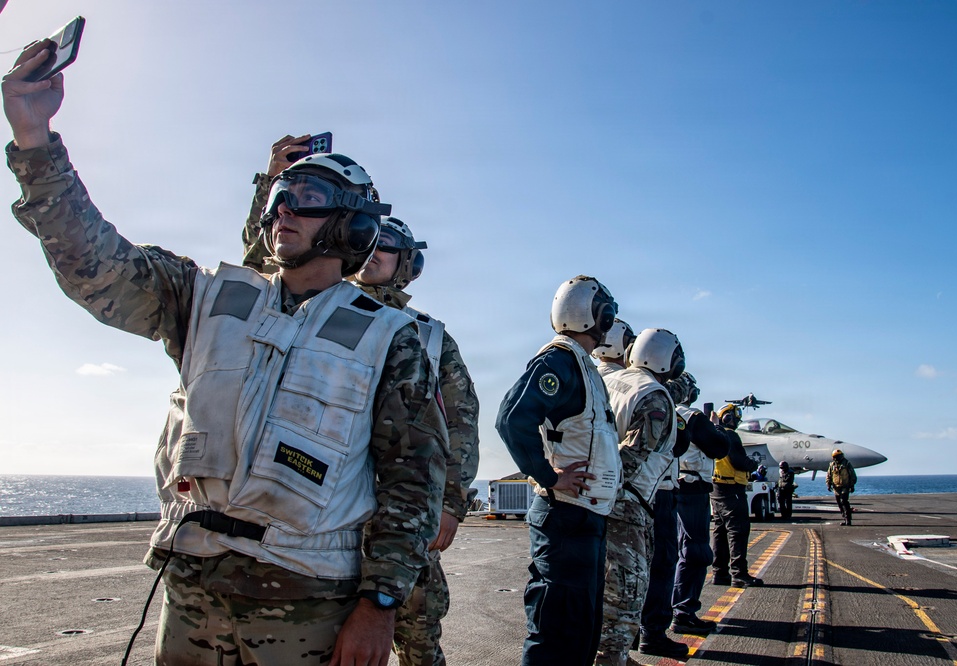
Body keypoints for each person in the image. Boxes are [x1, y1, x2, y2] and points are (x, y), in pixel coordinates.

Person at [3, 44, 448, 665]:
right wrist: (34, 137)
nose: (283, 208)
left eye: (306, 195)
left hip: (310, 599)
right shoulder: (203, 297)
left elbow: (412, 481)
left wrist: (380, 604)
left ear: (352, 223)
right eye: (278, 197)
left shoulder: (389, 336)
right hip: (193, 589)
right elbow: (94, 262)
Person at [243, 137, 481, 665]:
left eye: (388, 245)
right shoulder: (307, 306)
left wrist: (450, 503)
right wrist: (272, 184)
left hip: (399, 514)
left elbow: (461, 426)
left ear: (407, 263)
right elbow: (258, 276)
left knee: (417, 636)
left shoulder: (426, 335)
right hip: (318, 514)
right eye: (372, 239)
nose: (374, 252)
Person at [495, 276, 622, 666]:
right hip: (565, 517)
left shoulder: (584, 366)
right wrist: (549, 476)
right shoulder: (559, 361)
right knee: (555, 634)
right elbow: (512, 419)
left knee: (581, 629)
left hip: (585, 516)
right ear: (594, 315)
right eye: (607, 311)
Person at [597, 329, 688, 665]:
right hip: (627, 505)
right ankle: (611, 658)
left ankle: (611, 654)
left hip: (595, 501)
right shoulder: (654, 397)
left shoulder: (610, 381)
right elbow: (630, 459)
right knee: (627, 593)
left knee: (602, 588)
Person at [668, 373, 731, 636]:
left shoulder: (665, 410)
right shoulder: (691, 416)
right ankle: (684, 611)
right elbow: (719, 448)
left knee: (673, 551)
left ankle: (668, 609)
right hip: (693, 489)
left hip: (671, 486)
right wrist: (717, 427)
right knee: (696, 551)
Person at [710, 404, 763, 588]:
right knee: (738, 531)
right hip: (732, 489)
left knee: (720, 531)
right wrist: (753, 465)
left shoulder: (715, 434)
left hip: (716, 488)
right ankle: (739, 574)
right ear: (727, 418)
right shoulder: (730, 435)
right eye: (735, 415)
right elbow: (739, 461)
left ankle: (719, 573)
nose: (737, 418)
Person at [827, 449, 857, 526]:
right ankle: (844, 518)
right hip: (836, 487)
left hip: (845, 486)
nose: (836, 458)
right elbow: (829, 475)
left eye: (837, 456)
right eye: (835, 457)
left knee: (844, 501)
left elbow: (852, 475)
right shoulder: (832, 465)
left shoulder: (846, 464)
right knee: (839, 503)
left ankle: (848, 520)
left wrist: (852, 485)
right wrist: (828, 484)